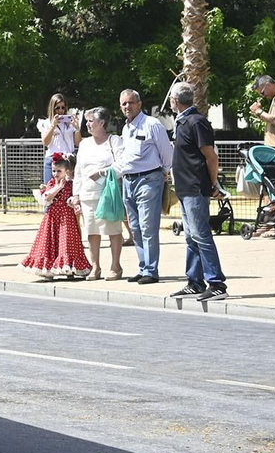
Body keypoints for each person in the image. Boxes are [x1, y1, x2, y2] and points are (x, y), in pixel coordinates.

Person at [167, 82, 225, 300]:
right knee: (191, 236)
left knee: (201, 235)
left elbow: (211, 157)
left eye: (171, 99)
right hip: (184, 188)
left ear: (175, 100)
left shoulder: (196, 122)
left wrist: (213, 184)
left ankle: (217, 283)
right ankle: (194, 281)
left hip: (194, 187)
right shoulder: (182, 122)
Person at [115, 89, 171, 284]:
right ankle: (143, 266)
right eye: (124, 104)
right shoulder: (125, 128)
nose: (127, 107)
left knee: (148, 227)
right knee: (136, 227)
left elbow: (166, 153)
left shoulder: (152, 124)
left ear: (139, 104)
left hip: (148, 179)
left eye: (130, 103)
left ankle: (151, 270)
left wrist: (163, 171)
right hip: (128, 181)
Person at [21, 154, 90, 279]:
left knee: (67, 241)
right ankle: (48, 269)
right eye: (54, 170)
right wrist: (58, 187)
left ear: (66, 171)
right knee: (50, 241)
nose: (55, 173)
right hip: (52, 216)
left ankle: (69, 268)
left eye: (59, 171)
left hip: (66, 216)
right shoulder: (52, 183)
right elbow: (47, 197)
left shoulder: (71, 184)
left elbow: (73, 197)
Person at [73, 107, 124, 279]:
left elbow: (121, 165)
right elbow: (78, 171)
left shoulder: (114, 141)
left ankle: (115, 266)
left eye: (91, 121)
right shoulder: (85, 144)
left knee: (113, 230)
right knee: (91, 231)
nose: (87, 124)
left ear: (102, 123)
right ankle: (95, 266)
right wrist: (76, 195)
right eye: (86, 121)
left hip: (107, 193)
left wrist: (102, 172)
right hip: (88, 194)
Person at [37, 94, 81, 185]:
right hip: (53, 159)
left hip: (68, 160)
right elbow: (45, 142)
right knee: (50, 190)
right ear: (52, 108)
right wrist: (53, 126)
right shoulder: (46, 123)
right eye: (57, 108)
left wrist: (77, 129)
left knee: (69, 190)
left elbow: (78, 143)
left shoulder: (70, 123)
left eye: (63, 108)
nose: (61, 111)